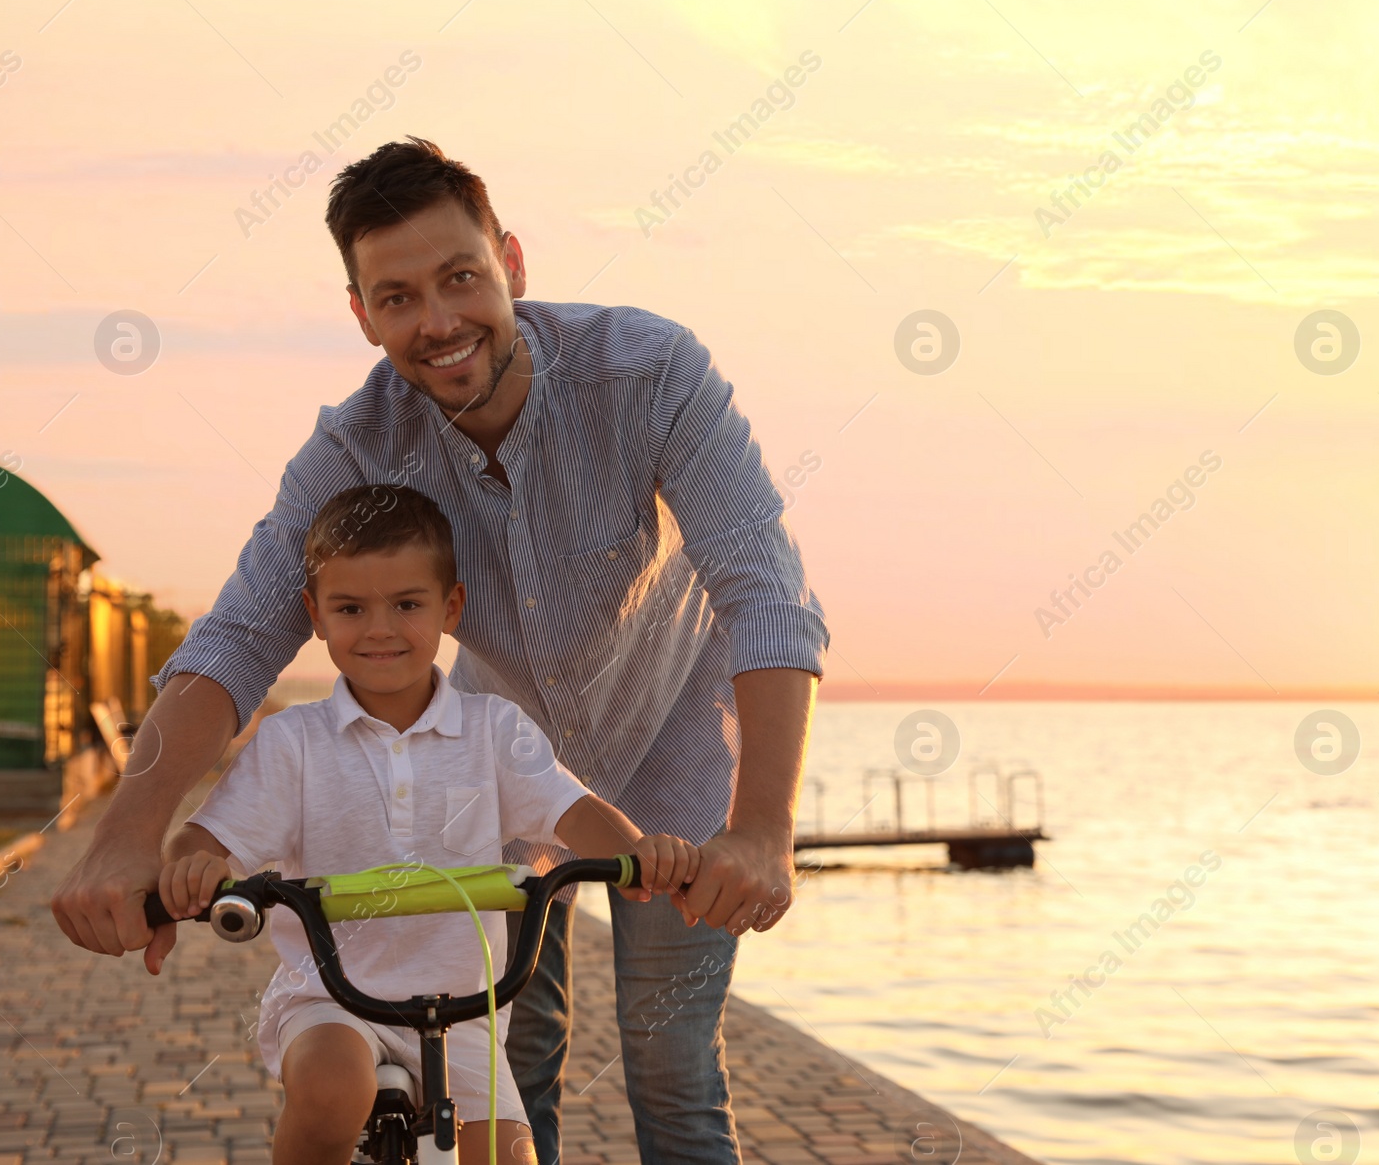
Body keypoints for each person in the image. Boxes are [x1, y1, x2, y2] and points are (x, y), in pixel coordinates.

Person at [52, 135, 829, 1165]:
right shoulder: (353, 446)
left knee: (672, 1064)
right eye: (397, 297)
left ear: (510, 261)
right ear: (362, 313)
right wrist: (127, 834)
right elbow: (239, 635)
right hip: (494, 766)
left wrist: (762, 827)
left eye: (459, 277)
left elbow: (763, 591)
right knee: (510, 1059)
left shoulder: (648, 373)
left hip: (677, 760)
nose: (437, 322)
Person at [148, 484, 701, 1165]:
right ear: (314, 615)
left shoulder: (493, 730)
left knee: (510, 1159)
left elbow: (574, 809)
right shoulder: (292, 742)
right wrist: (191, 863)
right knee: (331, 1090)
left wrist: (640, 855)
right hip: (329, 999)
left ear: (451, 608)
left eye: (407, 605)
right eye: (351, 608)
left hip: (463, 1010)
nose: (379, 628)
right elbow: (207, 837)